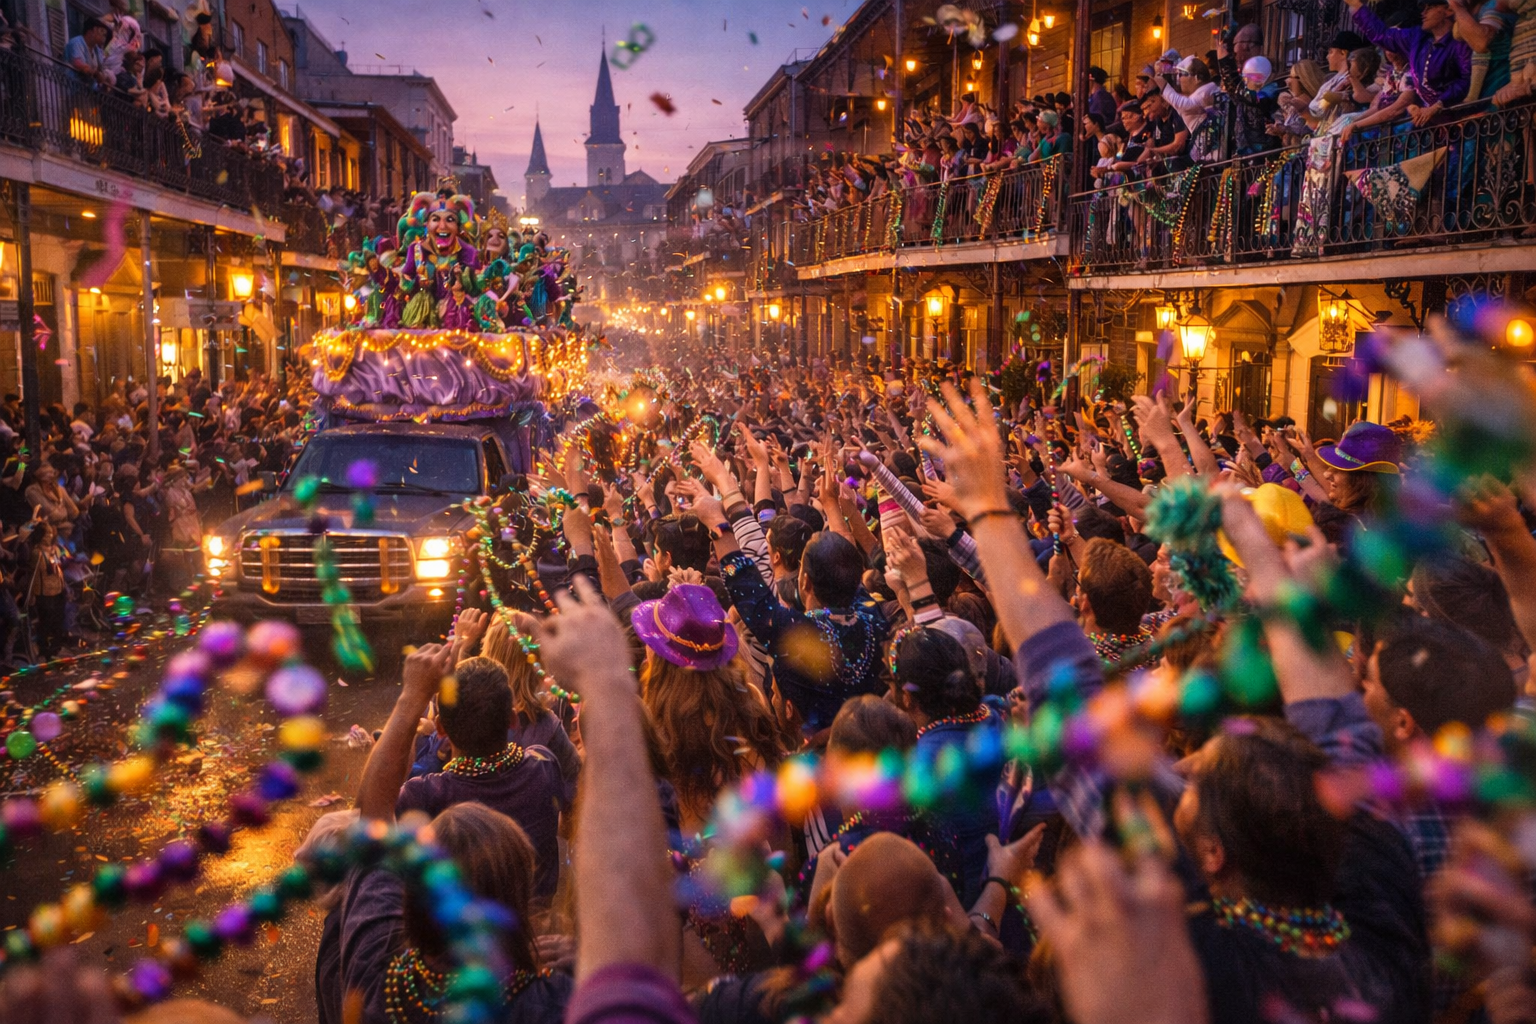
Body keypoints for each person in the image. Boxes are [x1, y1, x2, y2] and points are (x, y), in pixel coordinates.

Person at [317, 646, 571, 1024]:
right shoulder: (542, 767)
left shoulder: (378, 985)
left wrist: (411, 698)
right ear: (513, 720)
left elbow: (372, 814)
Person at [631, 583, 783, 833]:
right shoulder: (750, 700)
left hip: (701, 865)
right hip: (766, 853)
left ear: (662, 660)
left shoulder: (656, 729)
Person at [1344, 0, 1472, 125]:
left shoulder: (1459, 42)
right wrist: (1356, 5)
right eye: (1422, 7)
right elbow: (1383, 35)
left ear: (1448, 10)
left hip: (1458, 119)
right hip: (1425, 121)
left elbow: (1465, 80)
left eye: (1430, 7)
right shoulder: (1418, 38)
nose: (1423, 12)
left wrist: (1439, 104)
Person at [64, 19, 113, 89]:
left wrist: (102, 76)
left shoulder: (96, 50)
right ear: (90, 32)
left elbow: (101, 69)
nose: (104, 36)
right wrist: (95, 73)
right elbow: (78, 64)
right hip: (70, 86)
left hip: (86, 90)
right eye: (101, 31)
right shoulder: (76, 43)